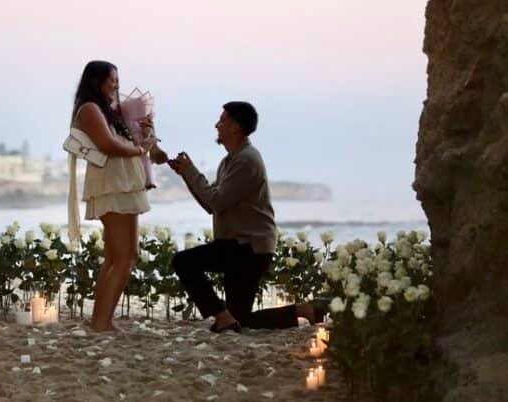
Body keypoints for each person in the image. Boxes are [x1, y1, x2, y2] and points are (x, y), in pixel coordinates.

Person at [169, 102, 325, 332]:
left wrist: (190, 171)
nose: (216, 125)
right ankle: (303, 310)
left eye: (222, 120)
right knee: (240, 320)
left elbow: (216, 201)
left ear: (235, 127)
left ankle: (222, 316)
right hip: (240, 246)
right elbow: (213, 205)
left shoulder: (246, 160)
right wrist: (186, 173)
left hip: (248, 248)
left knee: (183, 261)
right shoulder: (231, 160)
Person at [70, 60, 157, 332]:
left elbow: (128, 143)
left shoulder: (107, 111)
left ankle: (100, 320)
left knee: (117, 256)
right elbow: (108, 145)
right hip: (113, 185)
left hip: (121, 183)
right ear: (97, 82)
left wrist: (146, 135)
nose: (117, 85)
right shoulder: (90, 109)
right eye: (112, 80)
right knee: (125, 255)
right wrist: (139, 150)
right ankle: (101, 322)